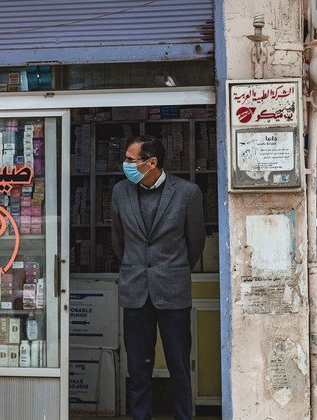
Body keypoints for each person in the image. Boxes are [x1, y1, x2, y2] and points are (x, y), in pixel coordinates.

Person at [111, 135, 205, 420]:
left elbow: (195, 242)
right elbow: (118, 241)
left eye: (130, 159)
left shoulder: (188, 192)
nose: (125, 164)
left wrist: (172, 270)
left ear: (151, 162)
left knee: (179, 367)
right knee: (138, 369)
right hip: (135, 290)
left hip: (173, 291)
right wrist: (135, 265)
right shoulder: (120, 192)